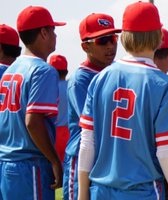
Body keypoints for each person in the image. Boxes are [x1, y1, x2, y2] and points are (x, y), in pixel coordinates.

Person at [77, 2, 168, 199]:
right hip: (143, 190)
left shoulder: (100, 78)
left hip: (100, 191)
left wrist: (82, 194)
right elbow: (165, 153)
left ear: (124, 37)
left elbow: (87, 143)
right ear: (159, 36)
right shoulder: (165, 84)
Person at [0, 5, 65, 200]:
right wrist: (54, 160)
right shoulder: (43, 70)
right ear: (44, 33)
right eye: (53, 30)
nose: (55, 35)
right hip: (30, 165)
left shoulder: (10, 70)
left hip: (5, 162)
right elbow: (33, 122)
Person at [63, 13, 121, 200]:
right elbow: (92, 126)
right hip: (81, 158)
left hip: (104, 158)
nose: (110, 46)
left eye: (113, 38)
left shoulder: (114, 73)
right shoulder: (80, 79)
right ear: (85, 46)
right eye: (102, 40)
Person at [48, 54, 69, 164]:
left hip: (53, 133)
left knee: (53, 170)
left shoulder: (48, 87)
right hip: (70, 132)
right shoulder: (71, 86)